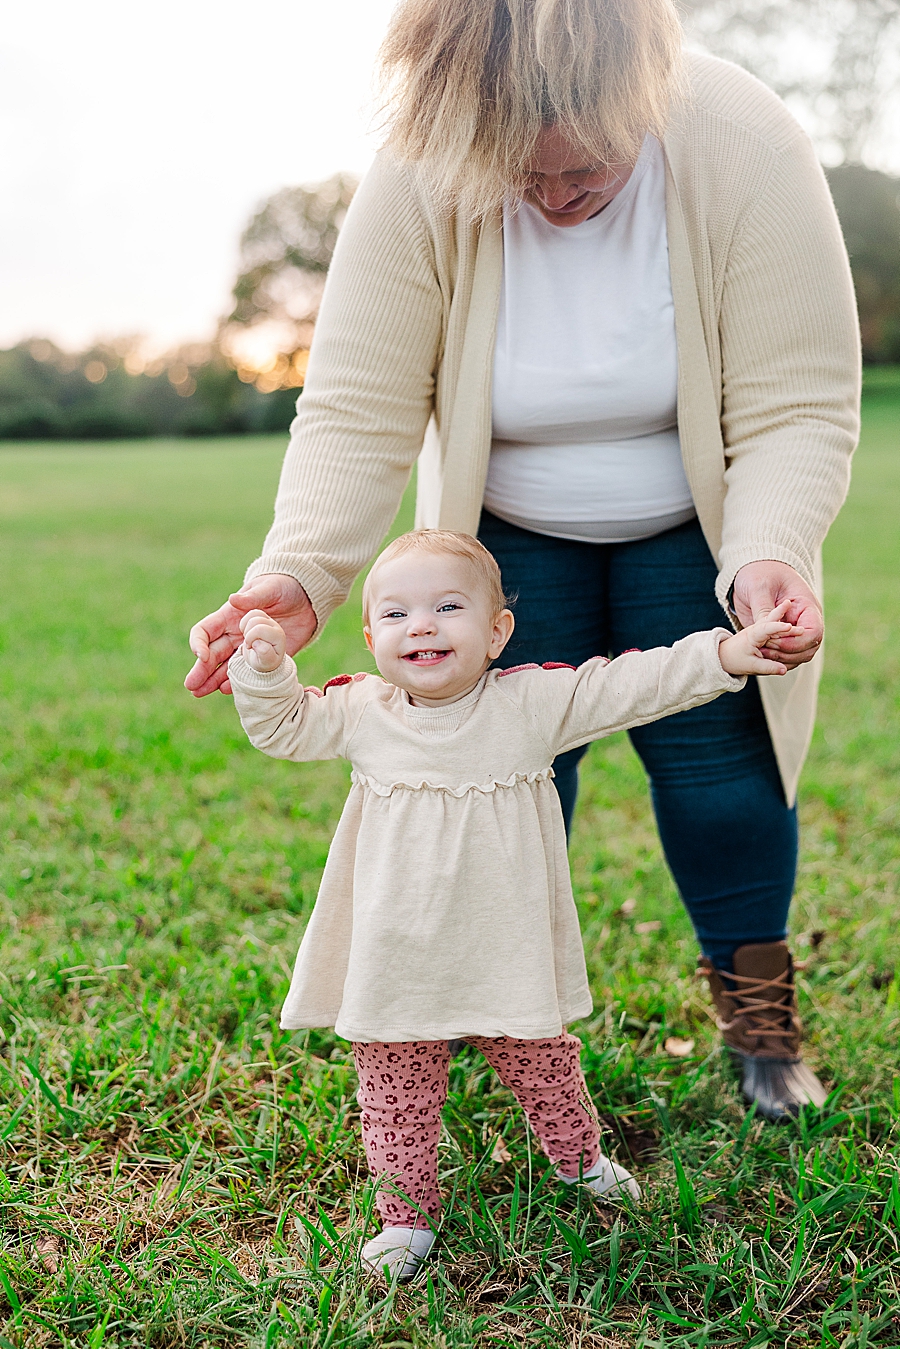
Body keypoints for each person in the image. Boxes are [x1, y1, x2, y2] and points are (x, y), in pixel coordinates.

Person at [185, 0, 861, 1120]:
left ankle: (760, 1025)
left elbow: (798, 398)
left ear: (641, 84)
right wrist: (300, 573)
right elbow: (359, 405)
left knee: (720, 773)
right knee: (489, 778)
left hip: (697, 526)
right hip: (501, 538)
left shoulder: (746, 140)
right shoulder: (421, 164)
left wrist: (769, 553)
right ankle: (472, 1011)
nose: (552, 197)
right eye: (521, 174)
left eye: (581, 166)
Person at [228, 529, 800, 1280]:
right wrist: (266, 669)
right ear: (370, 637)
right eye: (395, 615)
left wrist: (724, 656)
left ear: (498, 631)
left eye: (448, 606)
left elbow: (630, 683)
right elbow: (281, 725)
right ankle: (406, 1216)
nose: (421, 625)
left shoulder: (532, 703)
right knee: (395, 1093)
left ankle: (580, 1159)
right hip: (395, 955)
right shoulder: (361, 711)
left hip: (504, 947)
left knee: (545, 1066)